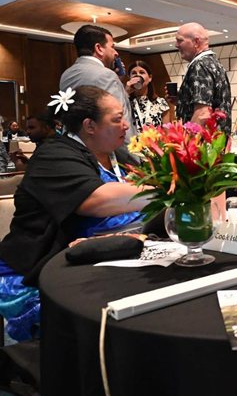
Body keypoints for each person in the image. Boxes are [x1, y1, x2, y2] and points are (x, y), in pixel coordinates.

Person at [0, 85, 151, 341]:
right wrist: (171, 191)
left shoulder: (117, 155)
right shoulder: (53, 155)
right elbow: (97, 200)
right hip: (37, 275)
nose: (126, 125)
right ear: (89, 126)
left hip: (103, 262)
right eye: (117, 119)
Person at [60, 24, 137, 141]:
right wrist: (133, 151)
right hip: (103, 147)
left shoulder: (66, 74)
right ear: (99, 48)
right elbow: (119, 122)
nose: (116, 53)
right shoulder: (106, 75)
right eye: (112, 47)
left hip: (74, 145)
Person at [172, 22, 232, 134]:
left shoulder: (199, 66)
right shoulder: (214, 63)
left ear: (196, 42)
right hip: (217, 140)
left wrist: (187, 141)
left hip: (203, 142)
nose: (176, 45)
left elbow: (203, 113)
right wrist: (182, 101)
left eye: (180, 40)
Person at [125, 60, 172, 131]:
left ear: (150, 78)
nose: (138, 75)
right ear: (129, 77)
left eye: (142, 72)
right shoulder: (125, 102)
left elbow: (167, 132)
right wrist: (125, 92)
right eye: (134, 73)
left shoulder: (161, 103)